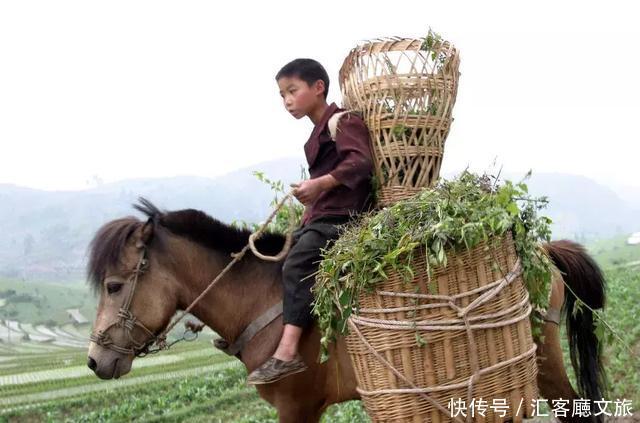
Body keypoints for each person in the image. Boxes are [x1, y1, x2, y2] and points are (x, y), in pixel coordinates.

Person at [246, 58, 374, 385]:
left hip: (344, 219)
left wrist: (320, 184)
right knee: (279, 261)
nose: (287, 100)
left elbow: (361, 163)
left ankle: (287, 353)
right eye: (281, 95)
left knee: (296, 266)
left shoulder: (343, 122)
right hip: (322, 217)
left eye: (292, 90)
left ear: (318, 88)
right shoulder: (315, 136)